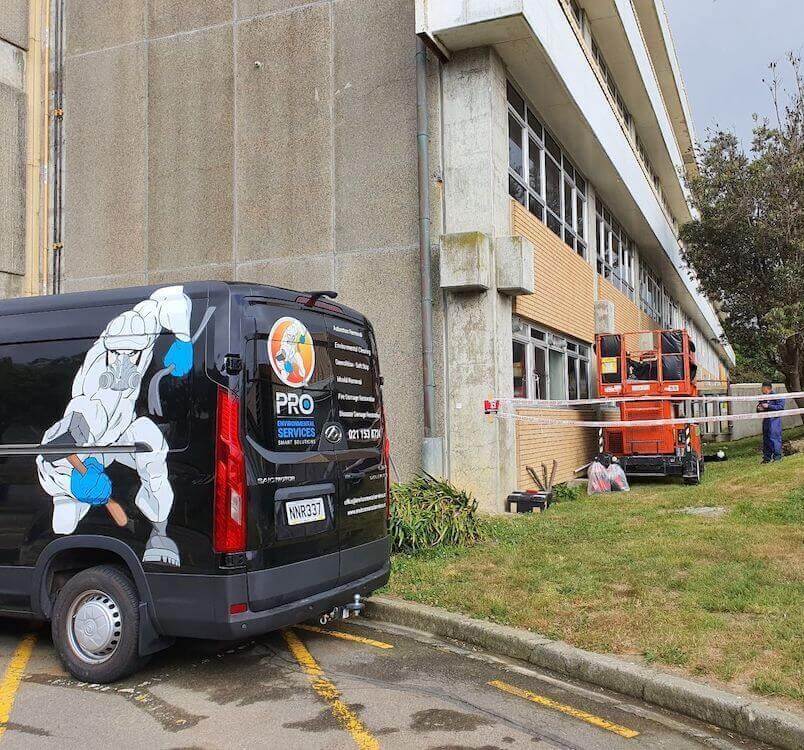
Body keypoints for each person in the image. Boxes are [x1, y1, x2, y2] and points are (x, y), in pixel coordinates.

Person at [756, 381, 785, 463]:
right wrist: (759, 408)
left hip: (774, 420)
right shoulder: (763, 397)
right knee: (766, 439)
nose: (762, 390)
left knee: (774, 438)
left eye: (763, 388)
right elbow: (759, 408)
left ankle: (777, 457)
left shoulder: (777, 396)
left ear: (767, 388)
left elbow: (781, 407)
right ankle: (766, 458)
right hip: (766, 420)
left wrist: (769, 406)